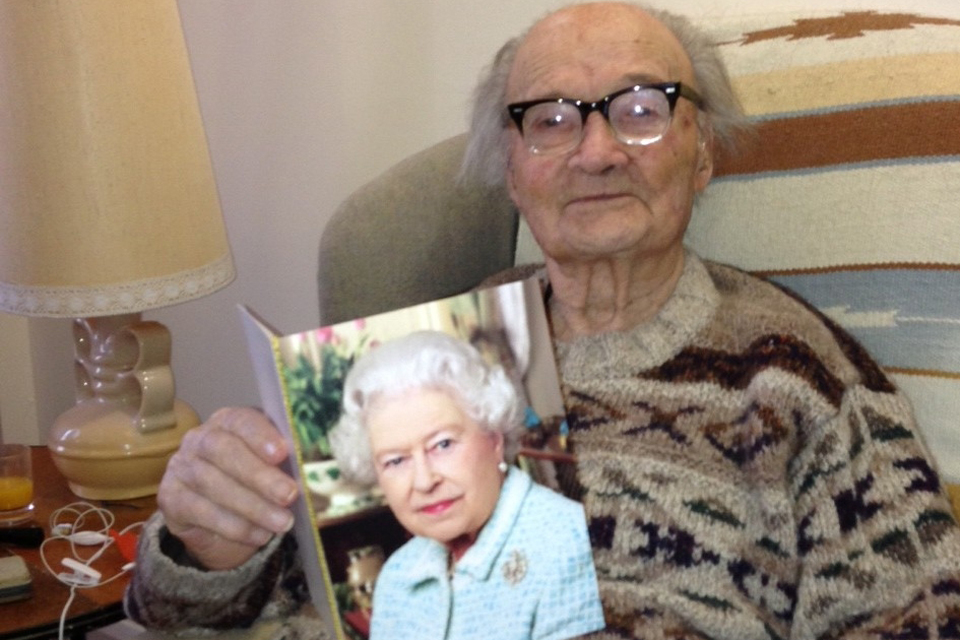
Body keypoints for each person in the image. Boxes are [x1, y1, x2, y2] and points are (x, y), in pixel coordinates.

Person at [125, 3, 960, 639]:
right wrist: (205, 542)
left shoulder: (799, 377)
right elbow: (190, 613)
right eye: (551, 120)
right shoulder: (414, 356)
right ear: (513, 173)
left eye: (639, 108)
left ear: (701, 151)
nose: (595, 151)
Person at [326, 330, 604, 640]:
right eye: (395, 461)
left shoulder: (573, 544)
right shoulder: (397, 577)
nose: (424, 481)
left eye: (443, 444)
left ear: (494, 439)